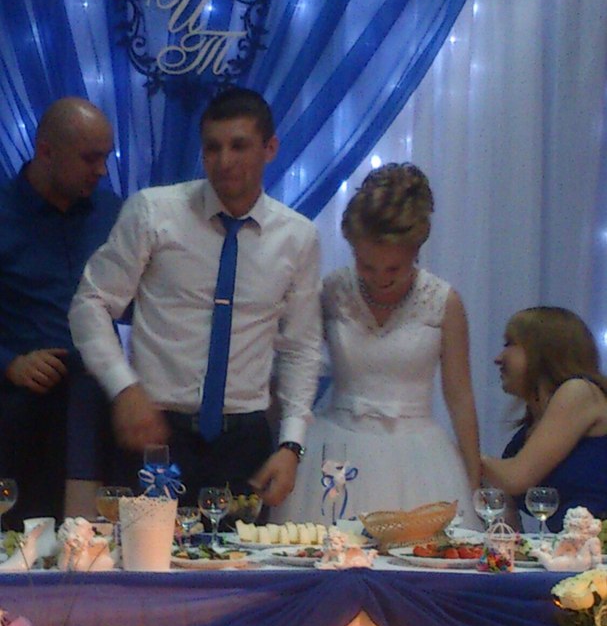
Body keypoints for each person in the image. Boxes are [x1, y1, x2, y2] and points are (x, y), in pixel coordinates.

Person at [69, 87, 322, 507]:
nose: (224, 160)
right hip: (154, 429)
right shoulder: (153, 212)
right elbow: (90, 302)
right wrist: (123, 388)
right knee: (144, 551)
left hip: (244, 438)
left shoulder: (298, 237)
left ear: (270, 148)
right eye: (213, 148)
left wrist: (291, 444)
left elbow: (301, 348)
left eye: (239, 146)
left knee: (241, 551)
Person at [273, 162, 480, 526]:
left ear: (415, 251)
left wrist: (473, 481)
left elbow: (460, 398)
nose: (380, 279)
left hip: (419, 458)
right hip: (334, 450)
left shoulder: (443, 302)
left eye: (394, 269)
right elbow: (297, 368)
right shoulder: (333, 292)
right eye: (367, 266)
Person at [0, 97, 121, 529]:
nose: (101, 171)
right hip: (20, 407)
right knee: (20, 540)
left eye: (106, 157)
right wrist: (9, 363)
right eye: (90, 158)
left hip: (99, 402)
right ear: (46, 151)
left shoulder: (112, 213)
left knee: (102, 540)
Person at [482, 306, 607, 532]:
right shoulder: (524, 435)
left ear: (542, 351)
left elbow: (516, 477)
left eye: (509, 344)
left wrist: (459, 453)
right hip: (573, 549)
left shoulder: (579, 391)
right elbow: (507, 523)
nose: (498, 358)